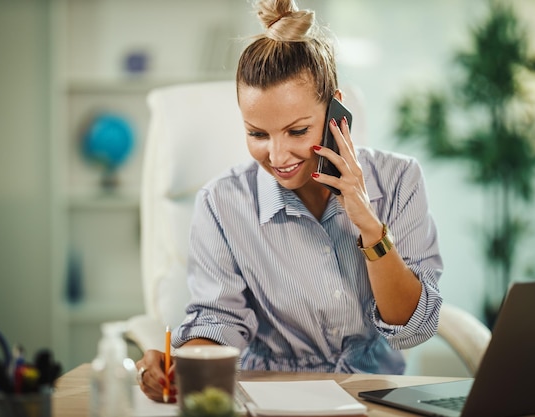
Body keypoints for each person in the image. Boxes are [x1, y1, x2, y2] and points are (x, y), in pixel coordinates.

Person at [137, 0, 443, 403]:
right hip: (271, 396)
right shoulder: (221, 202)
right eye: (258, 134)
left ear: (336, 110)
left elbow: (412, 328)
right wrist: (183, 365)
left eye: (297, 131)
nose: (278, 157)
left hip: (373, 396)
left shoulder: (399, 180)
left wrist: (368, 224)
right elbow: (219, 320)